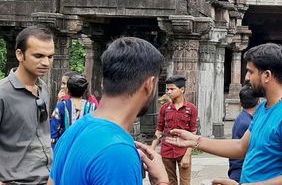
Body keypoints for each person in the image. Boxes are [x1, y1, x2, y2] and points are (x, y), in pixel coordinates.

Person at [166, 43, 282, 184]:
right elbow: (241, 147)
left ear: (267, 75)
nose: (247, 77)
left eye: (251, 71)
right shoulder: (263, 107)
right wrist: (196, 141)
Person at [50, 37, 169, 185]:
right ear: (150, 84)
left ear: (103, 81)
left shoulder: (74, 129)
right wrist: (162, 182)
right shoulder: (118, 152)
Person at [0, 26, 54, 184]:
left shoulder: (43, 89)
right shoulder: (3, 93)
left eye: (50, 56)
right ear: (20, 54)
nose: (46, 62)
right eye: (38, 56)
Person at [150, 75, 198, 185]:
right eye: (167, 89)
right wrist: (152, 150)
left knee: (185, 182)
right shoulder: (164, 108)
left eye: (172, 89)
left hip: (183, 150)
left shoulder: (191, 108)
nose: (169, 92)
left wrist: (187, 155)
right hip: (166, 150)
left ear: (182, 90)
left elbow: (193, 132)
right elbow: (159, 130)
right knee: (170, 182)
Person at [50, 74, 96, 148]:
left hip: (65, 147)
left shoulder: (62, 105)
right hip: (85, 148)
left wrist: (54, 147)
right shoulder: (92, 107)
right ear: (84, 90)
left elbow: (54, 128)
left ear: (68, 89)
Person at [228, 83, 259, 182]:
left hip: (238, 170)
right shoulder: (249, 124)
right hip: (242, 173)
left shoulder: (241, 118)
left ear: (240, 103)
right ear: (259, 101)